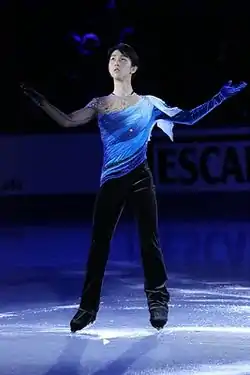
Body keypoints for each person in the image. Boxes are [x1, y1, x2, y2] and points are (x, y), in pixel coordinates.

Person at [21, 43, 247, 332]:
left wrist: (220, 97)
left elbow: (188, 117)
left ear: (134, 68)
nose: (115, 62)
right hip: (111, 181)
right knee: (98, 245)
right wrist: (42, 102)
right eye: (112, 58)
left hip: (141, 177)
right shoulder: (99, 103)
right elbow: (67, 121)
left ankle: (157, 300)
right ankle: (87, 309)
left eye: (122, 58)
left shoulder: (150, 103)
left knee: (148, 242)